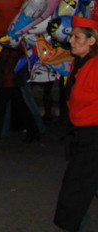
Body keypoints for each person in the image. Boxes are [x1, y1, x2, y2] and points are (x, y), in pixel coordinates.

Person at [55, 17, 98, 230]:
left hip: (93, 136)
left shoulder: (95, 66)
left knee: (75, 190)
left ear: (91, 41)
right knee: (82, 187)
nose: (70, 40)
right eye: (71, 35)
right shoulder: (78, 63)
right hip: (80, 133)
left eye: (76, 37)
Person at [0, 45, 40, 145]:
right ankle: (33, 132)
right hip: (11, 81)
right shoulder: (13, 46)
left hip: (8, 81)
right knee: (21, 107)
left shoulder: (10, 47)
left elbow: (5, 66)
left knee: (0, 108)